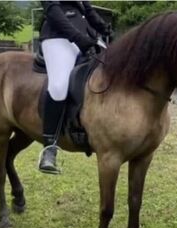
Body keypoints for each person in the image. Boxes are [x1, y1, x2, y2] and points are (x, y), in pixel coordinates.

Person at [38, 1, 111, 174]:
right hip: (58, 38)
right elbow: (53, 11)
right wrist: (78, 38)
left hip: (85, 35)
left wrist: (104, 28)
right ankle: (49, 148)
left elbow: (87, 9)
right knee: (59, 86)